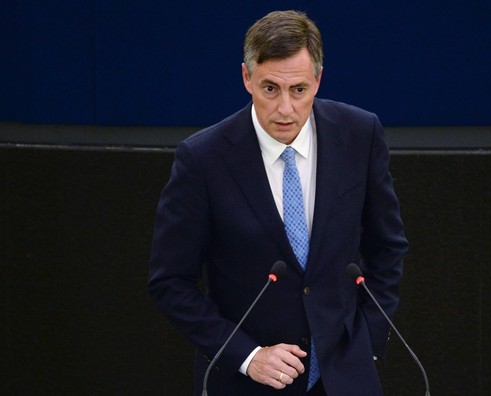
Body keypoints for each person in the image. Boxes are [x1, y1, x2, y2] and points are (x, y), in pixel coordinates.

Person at [149, 10, 408, 396]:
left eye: (298, 90)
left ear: (318, 81)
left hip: (344, 379)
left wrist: (366, 343)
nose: (285, 108)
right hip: (248, 383)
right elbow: (170, 281)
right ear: (246, 78)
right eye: (270, 88)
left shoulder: (359, 134)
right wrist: (247, 356)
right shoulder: (203, 158)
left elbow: (387, 248)